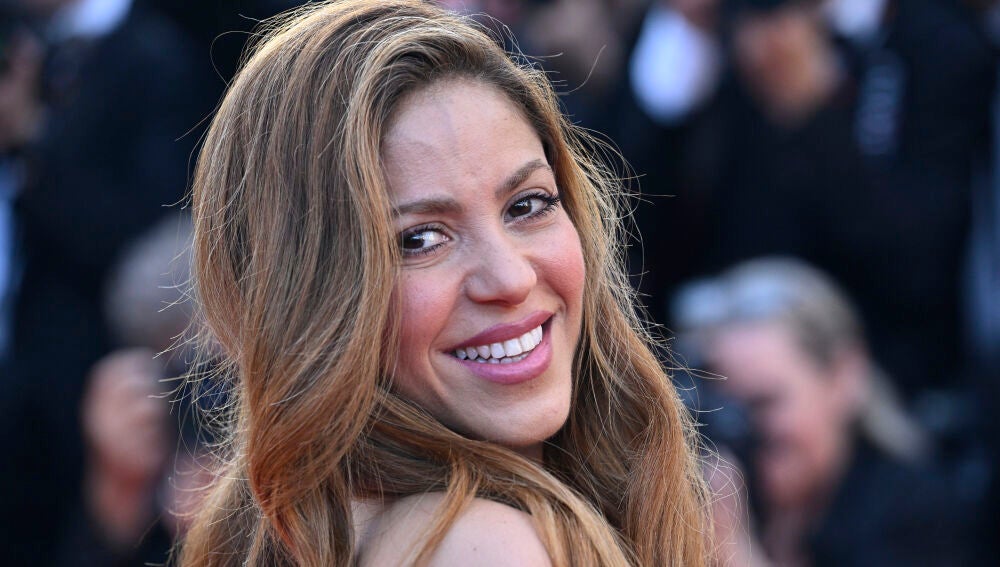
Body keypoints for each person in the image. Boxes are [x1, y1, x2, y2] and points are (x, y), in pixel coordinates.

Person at [179, 1, 711, 565]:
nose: (510, 278)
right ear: (306, 296)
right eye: (420, 239)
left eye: (527, 205)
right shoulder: (479, 546)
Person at [673, 257, 981, 566]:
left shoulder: (917, 513)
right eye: (726, 409)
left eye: (765, 402)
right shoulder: (734, 496)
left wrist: (735, 553)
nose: (744, 428)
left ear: (843, 377)